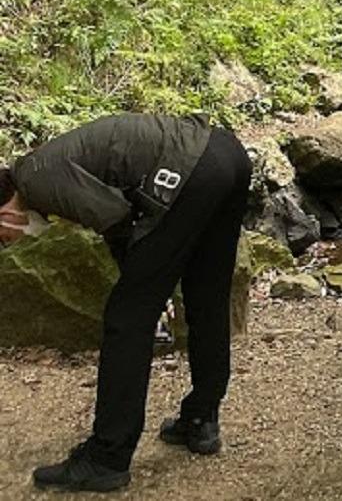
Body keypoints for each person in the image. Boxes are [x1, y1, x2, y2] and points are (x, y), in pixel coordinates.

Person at [0, 113, 250, 492]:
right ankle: (201, 419)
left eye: (2, 237)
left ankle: (106, 457)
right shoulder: (41, 166)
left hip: (188, 169)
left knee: (127, 318)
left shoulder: (34, 177)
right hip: (226, 155)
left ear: (4, 213)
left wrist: (142, 283)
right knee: (207, 295)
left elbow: (114, 217)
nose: (9, 244)